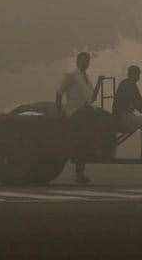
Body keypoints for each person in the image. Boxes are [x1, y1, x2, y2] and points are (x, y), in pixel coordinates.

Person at [54, 51, 97, 184]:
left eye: (87, 61)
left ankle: (81, 171)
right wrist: (59, 110)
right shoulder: (72, 76)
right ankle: (79, 173)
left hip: (85, 113)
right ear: (78, 61)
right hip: (74, 113)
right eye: (83, 60)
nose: (86, 63)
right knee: (81, 141)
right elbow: (59, 92)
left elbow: (91, 98)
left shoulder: (86, 78)